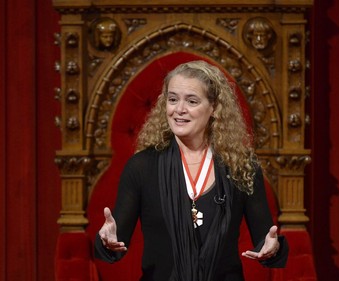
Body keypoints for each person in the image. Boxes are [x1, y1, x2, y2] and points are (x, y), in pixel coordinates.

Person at [95, 60, 288, 281]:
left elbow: (265, 240)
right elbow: (116, 244)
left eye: (192, 101)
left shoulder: (242, 166)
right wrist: (107, 241)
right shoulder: (141, 167)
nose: (179, 110)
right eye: (173, 99)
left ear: (214, 108)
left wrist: (272, 247)